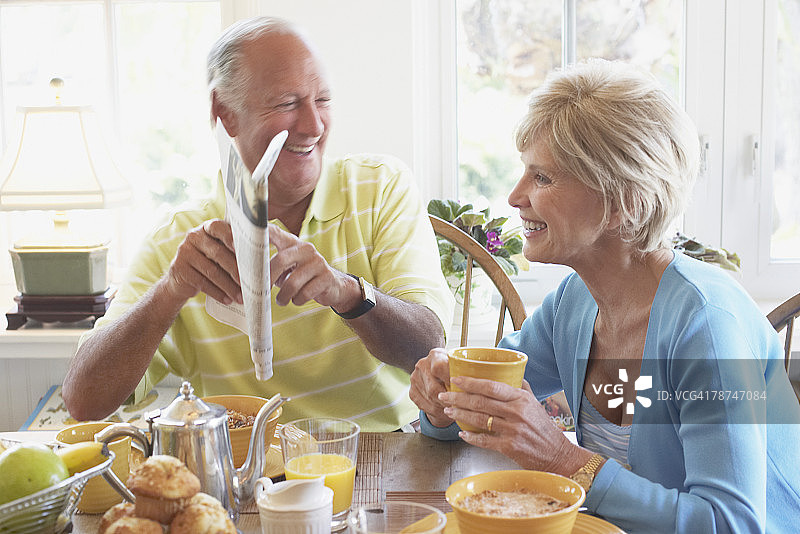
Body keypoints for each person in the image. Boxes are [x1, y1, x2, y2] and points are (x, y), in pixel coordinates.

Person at [409, 59, 800, 533]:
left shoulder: (707, 324)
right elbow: (478, 404)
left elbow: (731, 524)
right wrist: (439, 400)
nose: (514, 196)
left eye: (543, 177)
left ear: (622, 203)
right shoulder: (576, 302)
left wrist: (559, 456)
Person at [62, 16, 454, 432]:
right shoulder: (179, 242)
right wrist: (169, 294)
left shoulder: (379, 188)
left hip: (378, 455)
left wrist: (347, 292)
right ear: (225, 113)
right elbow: (83, 402)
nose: (314, 126)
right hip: (245, 473)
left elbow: (428, 345)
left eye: (322, 100)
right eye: (286, 103)